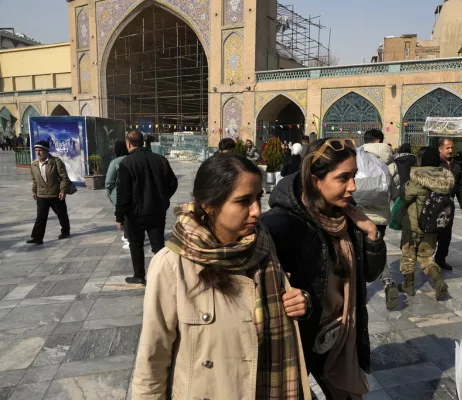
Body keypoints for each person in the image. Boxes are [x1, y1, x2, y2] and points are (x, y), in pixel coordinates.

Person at [132, 153, 311, 399]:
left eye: (258, 198)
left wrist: (301, 302)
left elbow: (275, 310)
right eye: (243, 201)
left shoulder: (263, 246)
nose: (257, 211)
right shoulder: (173, 264)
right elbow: (153, 356)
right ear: (209, 205)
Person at [261, 138, 387, 399]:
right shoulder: (281, 226)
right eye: (343, 178)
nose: (352, 186)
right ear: (316, 180)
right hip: (301, 341)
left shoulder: (346, 217)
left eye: (354, 176)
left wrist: (372, 234)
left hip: (339, 338)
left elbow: (369, 275)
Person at [115, 131, 178, 285]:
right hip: (157, 211)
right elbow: (173, 183)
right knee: (158, 245)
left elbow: (123, 193)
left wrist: (119, 216)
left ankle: (139, 276)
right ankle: (163, 276)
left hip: (134, 213)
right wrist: (163, 198)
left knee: (136, 244)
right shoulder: (160, 160)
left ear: (128, 143)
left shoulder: (126, 163)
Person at [399, 146, 453, 300]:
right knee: (427, 258)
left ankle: (408, 286)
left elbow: (405, 197)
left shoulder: (418, 177)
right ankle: (438, 282)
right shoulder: (445, 179)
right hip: (432, 226)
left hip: (413, 226)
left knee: (408, 256)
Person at [360, 129, 400, 310]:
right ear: (380, 141)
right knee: (377, 249)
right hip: (381, 217)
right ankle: (388, 281)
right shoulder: (390, 161)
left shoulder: (357, 157)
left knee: (358, 252)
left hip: (358, 215)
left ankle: (359, 292)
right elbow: (395, 192)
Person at [27, 140, 71, 245]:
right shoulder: (34, 164)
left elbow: (64, 178)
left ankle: (65, 231)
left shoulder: (56, 162)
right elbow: (34, 180)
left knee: (61, 214)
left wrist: (63, 191)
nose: (38, 152)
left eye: (40, 150)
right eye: (36, 150)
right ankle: (37, 237)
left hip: (55, 194)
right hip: (41, 195)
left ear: (46, 151)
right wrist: (34, 191)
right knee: (41, 217)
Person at [437, 138, 462, 271]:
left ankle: (440, 258)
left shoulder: (456, 165)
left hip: (449, 204)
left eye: (451, 148)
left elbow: (460, 185)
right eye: (447, 148)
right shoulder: (435, 164)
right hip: (435, 203)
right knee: (432, 232)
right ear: (440, 149)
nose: (450, 150)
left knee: (446, 234)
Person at [105, 140, 129, 249]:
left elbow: (109, 182)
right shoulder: (133, 159)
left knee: (123, 216)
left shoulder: (115, 162)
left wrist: (110, 194)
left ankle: (128, 237)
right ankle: (127, 236)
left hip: (119, 194)